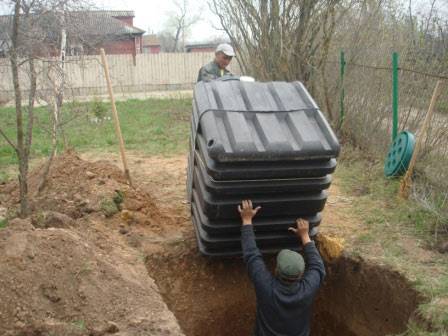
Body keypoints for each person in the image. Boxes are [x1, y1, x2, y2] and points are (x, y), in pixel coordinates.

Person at [238, 200, 326, 336]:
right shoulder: (308, 289)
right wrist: (305, 236)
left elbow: (251, 255)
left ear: (276, 270)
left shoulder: (266, 287)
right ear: (302, 274)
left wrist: (247, 219)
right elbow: (318, 267)